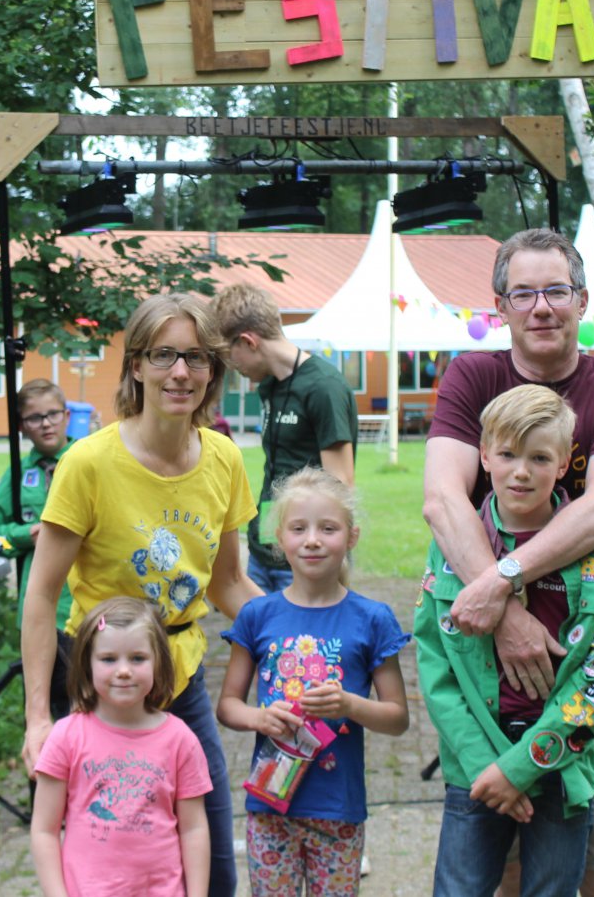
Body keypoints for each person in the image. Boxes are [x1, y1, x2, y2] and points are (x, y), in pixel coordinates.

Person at [421, 227, 594, 896]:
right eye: (524, 293)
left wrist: (502, 584)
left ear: (582, 300)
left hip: (590, 667)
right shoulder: (473, 376)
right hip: (488, 666)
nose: (541, 307)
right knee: (502, 860)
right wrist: (504, 620)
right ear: (500, 306)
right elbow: (443, 499)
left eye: (556, 290)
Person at [22, 293, 260, 897]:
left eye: (196, 358)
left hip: (179, 678)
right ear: (135, 366)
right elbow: (42, 597)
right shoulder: (88, 463)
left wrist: (302, 631)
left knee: (208, 857)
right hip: (102, 679)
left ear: (213, 370)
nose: (181, 373)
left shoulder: (225, 459)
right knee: (103, 854)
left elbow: (230, 584)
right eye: (164, 356)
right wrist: (37, 718)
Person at [416, 385, 594, 896]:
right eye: (508, 454)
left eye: (539, 458)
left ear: (563, 465)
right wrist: (486, 767)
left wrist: (522, 767)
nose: (520, 471)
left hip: (561, 765)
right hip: (474, 766)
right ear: (484, 455)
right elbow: (433, 663)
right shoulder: (451, 548)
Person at [217, 467, 409, 896]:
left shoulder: (373, 619)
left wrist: (349, 705)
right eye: (299, 528)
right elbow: (228, 705)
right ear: (280, 539)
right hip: (269, 805)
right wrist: (260, 717)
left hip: (338, 809)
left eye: (328, 528)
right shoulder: (256, 615)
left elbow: (397, 717)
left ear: (352, 537)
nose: (313, 540)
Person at [31, 596, 212, 897]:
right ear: (87, 665)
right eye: (109, 659)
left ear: (159, 663)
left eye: (138, 658)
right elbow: (44, 830)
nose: (124, 670)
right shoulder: (66, 737)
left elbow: (194, 829)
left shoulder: (180, 740)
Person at [214, 284, 358, 593]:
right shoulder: (269, 385)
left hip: (303, 559)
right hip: (262, 553)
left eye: (230, 355)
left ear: (248, 341)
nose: (232, 367)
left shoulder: (323, 387)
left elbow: (340, 482)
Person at [0, 378, 77, 631]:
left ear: (66, 416)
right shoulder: (18, 473)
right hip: (39, 608)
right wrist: (26, 534)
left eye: (53, 414)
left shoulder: (88, 463)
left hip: (86, 603)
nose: (46, 423)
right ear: (21, 427)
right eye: (34, 418)